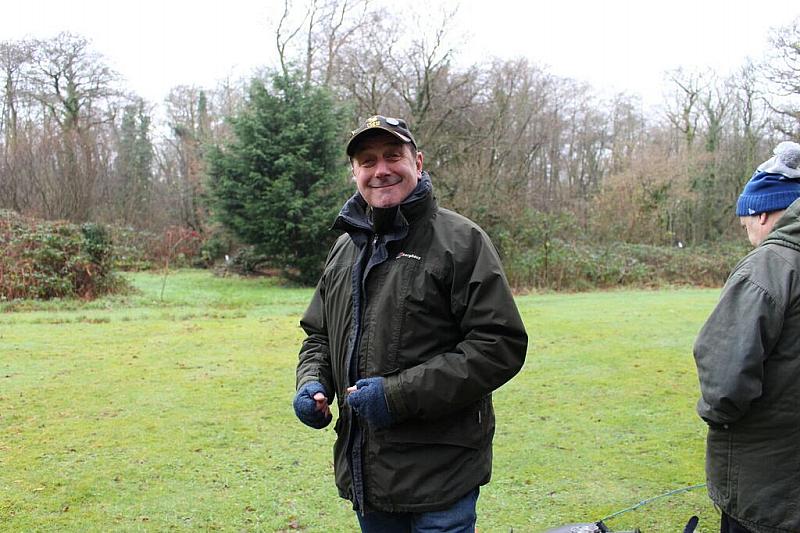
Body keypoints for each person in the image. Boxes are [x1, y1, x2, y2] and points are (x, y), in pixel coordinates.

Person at [293, 115, 528, 532]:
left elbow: (499, 346)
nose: (380, 170)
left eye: (392, 156)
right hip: (368, 474)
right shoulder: (345, 248)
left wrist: (396, 396)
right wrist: (312, 383)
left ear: (417, 162)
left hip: (442, 476)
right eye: (367, 161)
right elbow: (319, 335)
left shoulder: (461, 241)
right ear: (354, 173)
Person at [693, 140, 800, 533]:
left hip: (770, 490)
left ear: (764, 213)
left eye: (746, 225)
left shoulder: (769, 267)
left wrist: (716, 414)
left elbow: (724, 383)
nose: (748, 235)